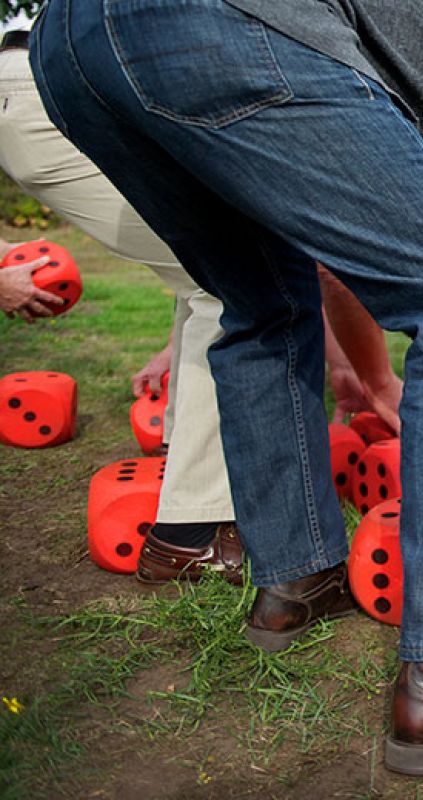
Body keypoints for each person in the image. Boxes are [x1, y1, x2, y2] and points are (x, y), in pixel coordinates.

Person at [32, 0, 423, 776]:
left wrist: (377, 377)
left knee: (263, 304)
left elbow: (335, 259)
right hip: (208, 25)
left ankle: (297, 576)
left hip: (70, 48)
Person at [1, 26, 245, 583]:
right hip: (49, 90)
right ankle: (192, 530)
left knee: (212, 276)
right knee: (233, 288)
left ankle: (180, 457)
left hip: (54, 84)